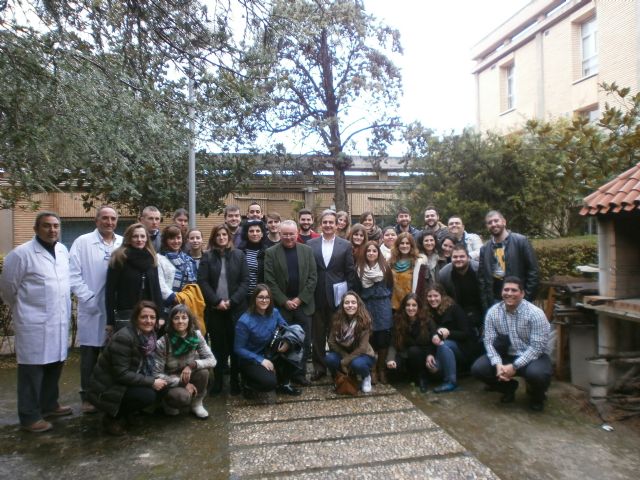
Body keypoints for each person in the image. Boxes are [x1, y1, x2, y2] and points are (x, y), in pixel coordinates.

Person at [0, 212, 72, 433]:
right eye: (46, 226)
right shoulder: (21, 254)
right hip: (33, 322)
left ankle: (50, 404)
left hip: (58, 319)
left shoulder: (62, 250)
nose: (52, 230)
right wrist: (25, 310)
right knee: (32, 371)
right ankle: (29, 416)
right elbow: (8, 289)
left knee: (55, 363)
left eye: (56, 226)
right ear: (36, 228)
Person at [69, 205, 123, 414]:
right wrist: (88, 298)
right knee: (90, 357)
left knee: (113, 355)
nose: (109, 222)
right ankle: (88, 397)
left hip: (116, 309)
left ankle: (109, 395)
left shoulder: (121, 242)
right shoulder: (82, 242)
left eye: (113, 219)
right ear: (96, 220)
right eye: (105, 218)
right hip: (92, 307)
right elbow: (73, 274)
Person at [471, 277, 552, 411]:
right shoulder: (493, 312)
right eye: (506, 289)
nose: (509, 293)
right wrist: (497, 364)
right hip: (506, 355)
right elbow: (489, 341)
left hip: (533, 357)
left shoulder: (535, 314)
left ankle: (537, 396)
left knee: (538, 374)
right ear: (501, 292)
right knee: (478, 369)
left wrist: (514, 366)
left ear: (522, 293)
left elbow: (537, 347)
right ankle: (508, 388)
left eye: (514, 290)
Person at [88, 301, 167, 435]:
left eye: (152, 317)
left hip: (129, 379)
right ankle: (112, 417)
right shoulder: (124, 338)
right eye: (144, 317)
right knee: (148, 395)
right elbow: (121, 374)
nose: (148, 321)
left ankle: (128, 413)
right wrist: (151, 382)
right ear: (136, 318)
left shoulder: (150, 335)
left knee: (164, 387)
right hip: (109, 387)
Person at [263, 220, 317, 385]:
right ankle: (283, 375)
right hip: (282, 307)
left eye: (291, 234)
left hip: (304, 305)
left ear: (297, 234)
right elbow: (269, 280)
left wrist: (300, 299)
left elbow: (313, 277)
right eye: (285, 234)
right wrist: (285, 301)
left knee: (304, 342)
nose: (288, 237)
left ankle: (299, 375)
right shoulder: (271, 252)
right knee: (282, 342)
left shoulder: (307, 250)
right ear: (280, 234)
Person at [198, 224, 249, 395]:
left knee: (236, 347)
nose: (221, 237)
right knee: (218, 348)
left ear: (229, 237)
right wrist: (217, 301)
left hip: (236, 309)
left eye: (224, 234)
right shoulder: (207, 257)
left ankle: (235, 381)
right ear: (214, 238)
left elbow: (245, 282)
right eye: (218, 235)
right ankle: (218, 381)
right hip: (215, 309)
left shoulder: (239, 255)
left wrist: (232, 302)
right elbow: (203, 282)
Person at [308, 210, 356, 380]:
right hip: (317, 295)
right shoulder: (311, 244)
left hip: (338, 298)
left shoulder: (346, 245)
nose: (328, 225)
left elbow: (350, 272)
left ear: (337, 225)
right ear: (321, 224)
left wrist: (348, 297)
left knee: (337, 335)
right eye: (325, 222)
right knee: (318, 335)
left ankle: (337, 367)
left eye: (331, 222)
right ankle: (319, 368)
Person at [235, 284, 303, 398]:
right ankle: (248, 383)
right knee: (269, 383)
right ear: (254, 299)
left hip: (269, 352)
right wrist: (261, 360)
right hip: (251, 359)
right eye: (260, 297)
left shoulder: (274, 313)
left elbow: (285, 328)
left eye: (267, 297)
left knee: (295, 346)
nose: (264, 300)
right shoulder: (244, 321)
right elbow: (238, 348)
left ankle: (284, 384)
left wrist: (287, 342)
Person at [154, 305, 216, 418]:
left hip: (188, 373)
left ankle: (196, 404)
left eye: (184, 317)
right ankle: (168, 403)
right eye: (176, 318)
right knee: (182, 398)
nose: (180, 321)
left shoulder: (196, 336)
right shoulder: (163, 342)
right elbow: (156, 373)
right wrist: (183, 383)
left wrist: (192, 365)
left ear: (189, 320)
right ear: (171, 321)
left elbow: (212, 360)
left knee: (204, 372)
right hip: (170, 379)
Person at [105, 223, 164, 332]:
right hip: (126, 313)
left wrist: (160, 315)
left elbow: (156, 289)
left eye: (142, 236)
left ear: (147, 238)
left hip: (149, 314)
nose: (139, 239)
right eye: (135, 236)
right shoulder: (119, 258)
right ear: (129, 238)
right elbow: (110, 291)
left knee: (147, 347)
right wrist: (110, 321)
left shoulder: (152, 258)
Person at [478, 210, 539, 310]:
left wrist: (526, 298)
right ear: (487, 226)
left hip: (518, 298)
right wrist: (486, 304)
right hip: (495, 300)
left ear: (504, 222)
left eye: (496, 220)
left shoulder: (521, 241)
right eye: (490, 222)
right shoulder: (485, 249)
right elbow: (482, 279)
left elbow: (533, 272)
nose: (493, 224)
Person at [424, 284, 477, 393]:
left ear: (442, 296)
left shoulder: (454, 308)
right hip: (440, 349)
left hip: (462, 348)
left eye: (436, 296)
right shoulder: (427, 313)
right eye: (429, 296)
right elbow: (431, 337)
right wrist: (429, 354)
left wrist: (449, 333)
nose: (433, 299)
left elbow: (466, 333)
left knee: (444, 344)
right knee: (434, 369)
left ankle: (451, 382)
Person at [356, 241, 393, 384]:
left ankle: (381, 369)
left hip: (383, 306)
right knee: (369, 339)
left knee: (383, 339)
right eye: (368, 251)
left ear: (378, 253)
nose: (371, 253)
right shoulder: (359, 269)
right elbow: (357, 290)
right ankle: (371, 370)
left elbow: (390, 286)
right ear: (364, 254)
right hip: (367, 306)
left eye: (374, 251)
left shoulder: (385, 268)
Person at [325, 291, 376, 393]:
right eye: (347, 302)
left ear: (358, 304)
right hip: (344, 353)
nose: (350, 305)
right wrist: (345, 356)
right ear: (342, 305)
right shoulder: (337, 319)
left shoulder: (364, 320)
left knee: (357, 364)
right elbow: (331, 341)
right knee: (329, 358)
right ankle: (338, 377)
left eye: (353, 302)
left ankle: (366, 377)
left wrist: (346, 361)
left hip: (363, 354)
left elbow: (362, 348)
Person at [386, 293, 432, 392]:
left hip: (422, 354)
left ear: (418, 306)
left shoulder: (426, 320)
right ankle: (408, 374)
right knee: (393, 370)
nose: (411, 308)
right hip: (404, 354)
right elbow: (393, 342)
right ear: (404, 307)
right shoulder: (398, 319)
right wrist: (390, 359)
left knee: (414, 351)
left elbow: (432, 341)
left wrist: (430, 354)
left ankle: (421, 377)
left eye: (414, 305)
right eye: (408, 305)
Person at [438, 244, 484, 332]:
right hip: (458, 312)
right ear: (451, 259)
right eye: (455, 257)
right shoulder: (444, 274)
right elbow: (444, 298)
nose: (458, 259)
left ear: (468, 257)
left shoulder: (479, 269)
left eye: (462, 256)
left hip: (479, 309)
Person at [157, 224, 197, 306]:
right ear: (165, 240)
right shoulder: (159, 259)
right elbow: (160, 283)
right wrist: (176, 298)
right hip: (167, 305)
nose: (176, 241)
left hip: (187, 304)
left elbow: (194, 284)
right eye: (172, 238)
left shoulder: (188, 259)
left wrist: (186, 298)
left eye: (178, 238)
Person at [389, 233, 428, 311]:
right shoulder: (391, 261)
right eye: (402, 243)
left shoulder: (418, 263)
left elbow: (421, 287)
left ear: (411, 245)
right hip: (393, 304)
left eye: (407, 243)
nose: (404, 246)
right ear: (397, 245)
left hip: (410, 305)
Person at [241, 219, 266, 296]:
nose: (255, 234)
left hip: (260, 296)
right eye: (251, 231)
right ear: (246, 234)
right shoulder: (240, 251)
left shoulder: (267, 252)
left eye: (258, 231)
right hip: (242, 296)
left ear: (262, 234)